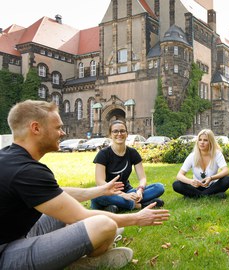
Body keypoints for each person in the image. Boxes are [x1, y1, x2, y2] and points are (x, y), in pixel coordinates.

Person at [0, 100, 170, 269]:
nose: (63, 133)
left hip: (17, 235)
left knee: (71, 213)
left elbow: (58, 194)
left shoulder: (9, 157)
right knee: (106, 225)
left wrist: (100, 190)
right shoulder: (27, 170)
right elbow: (79, 216)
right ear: (36, 128)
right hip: (5, 255)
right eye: (58, 127)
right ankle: (86, 262)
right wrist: (135, 219)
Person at [90, 120, 165, 213]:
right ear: (110, 134)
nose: (119, 134)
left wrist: (140, 191)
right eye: (115, 131)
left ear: (127, 134)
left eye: (122, 131)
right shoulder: (103, 154)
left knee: (159, 187)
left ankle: (115, 207)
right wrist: (122, 195)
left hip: (128, 192)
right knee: (96, 196)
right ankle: (140, 205)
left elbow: (142, 178)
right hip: (107, 193)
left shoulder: (132, 153)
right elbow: (100, 182)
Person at [172, 129, 229, 198]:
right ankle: (209, 194)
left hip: (212, 185)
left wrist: (211, 178)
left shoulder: (217, 154)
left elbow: (226, 171)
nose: (202, 142)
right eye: (200, 140)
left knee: (227, 180)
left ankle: (196, 195)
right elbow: (179, 175)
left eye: (205, 140)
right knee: (176, 184)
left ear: (211, 142)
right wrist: (191, 182)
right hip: (196, 187)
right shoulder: (192, 156)